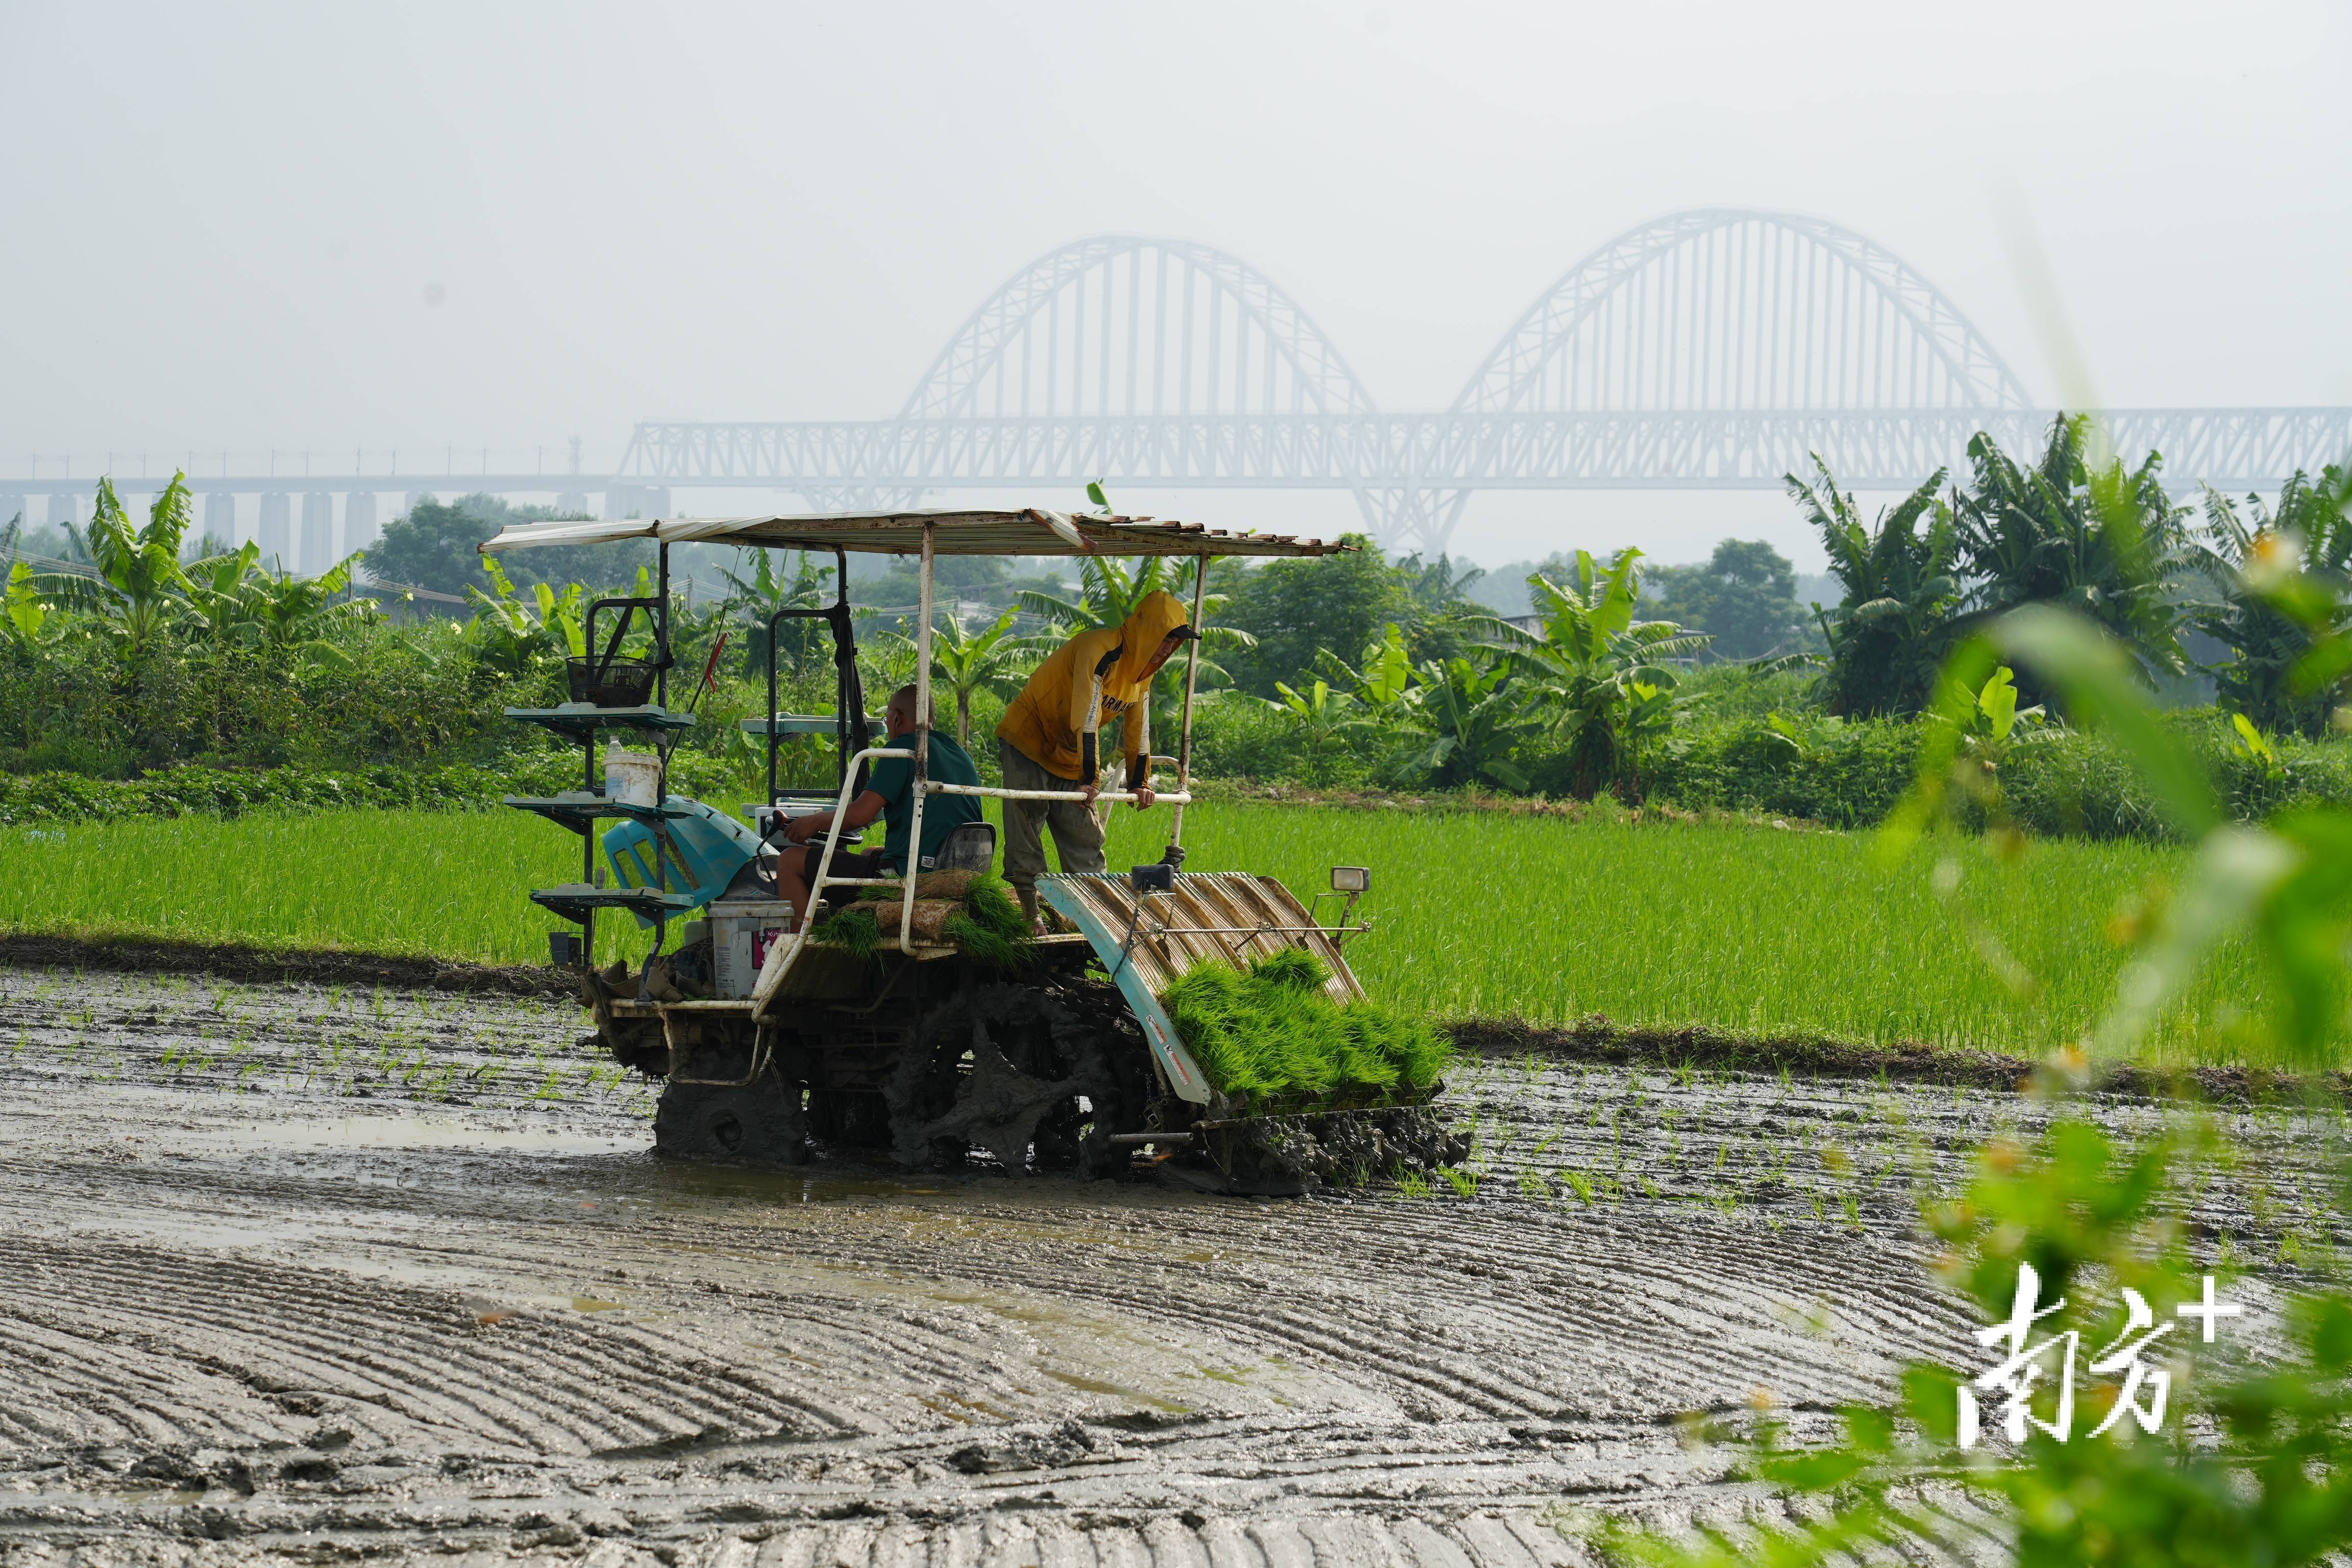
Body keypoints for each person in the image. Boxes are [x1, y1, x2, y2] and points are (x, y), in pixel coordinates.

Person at [994, 588, 1198, 926]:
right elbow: (1086, 715)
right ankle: (1031, 918)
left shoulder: (1142, 672)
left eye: (1177, 641)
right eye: (1167, 638)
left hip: (1072, 751)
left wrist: (1139, 782)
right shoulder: (1098, 648)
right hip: (1030, 740)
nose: (1171, 647)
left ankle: (1088, 922)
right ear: (1147, 632)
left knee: (1085, 837)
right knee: (1027, 826)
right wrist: (1090, 779)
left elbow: (1138, 727)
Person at [771, 683, 983, 931]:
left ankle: (803, 953)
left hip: (910, 876)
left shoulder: (904, 750)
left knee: (789, 861)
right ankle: (852, 930)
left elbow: (859, 816)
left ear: (896, 718)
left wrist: (814, 822)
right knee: (869, 851)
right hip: (947, 866)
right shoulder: (960, 755)